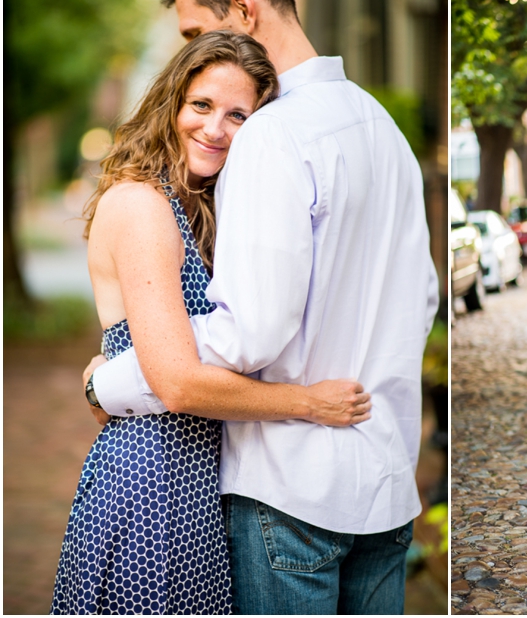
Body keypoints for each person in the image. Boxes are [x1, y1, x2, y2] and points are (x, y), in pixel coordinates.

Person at [84, 0, 439, 615]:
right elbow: (422, 296)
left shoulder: (271, 135)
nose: (192, 50)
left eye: (196, 33)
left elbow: (252, 332)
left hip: (291, 489)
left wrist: (109, 381)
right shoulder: (383, 127)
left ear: (243, 8)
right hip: (385, 483)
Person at [53, 30, 373, 615]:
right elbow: (176, 383)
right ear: (172, 102)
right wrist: (307, 403)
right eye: (201, 105)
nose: (216, 129)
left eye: (238, 116)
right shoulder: (141, 205)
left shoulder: (202, 205)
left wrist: (103, 383)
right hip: (151, 485)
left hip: (200, 482)